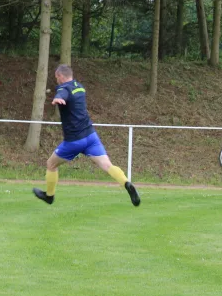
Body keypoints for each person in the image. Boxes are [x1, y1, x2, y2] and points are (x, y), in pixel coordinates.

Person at [33, 64, 141, 207]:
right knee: (107, 165)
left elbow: (63, 93)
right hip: (90, 136)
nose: (56, 80)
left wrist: (58, 98)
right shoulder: (80, 87)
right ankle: (126, 183)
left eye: (56, 77)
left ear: (60, 76)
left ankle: (49, 196)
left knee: (51, 164)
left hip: (74, 141)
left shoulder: (63, 88)